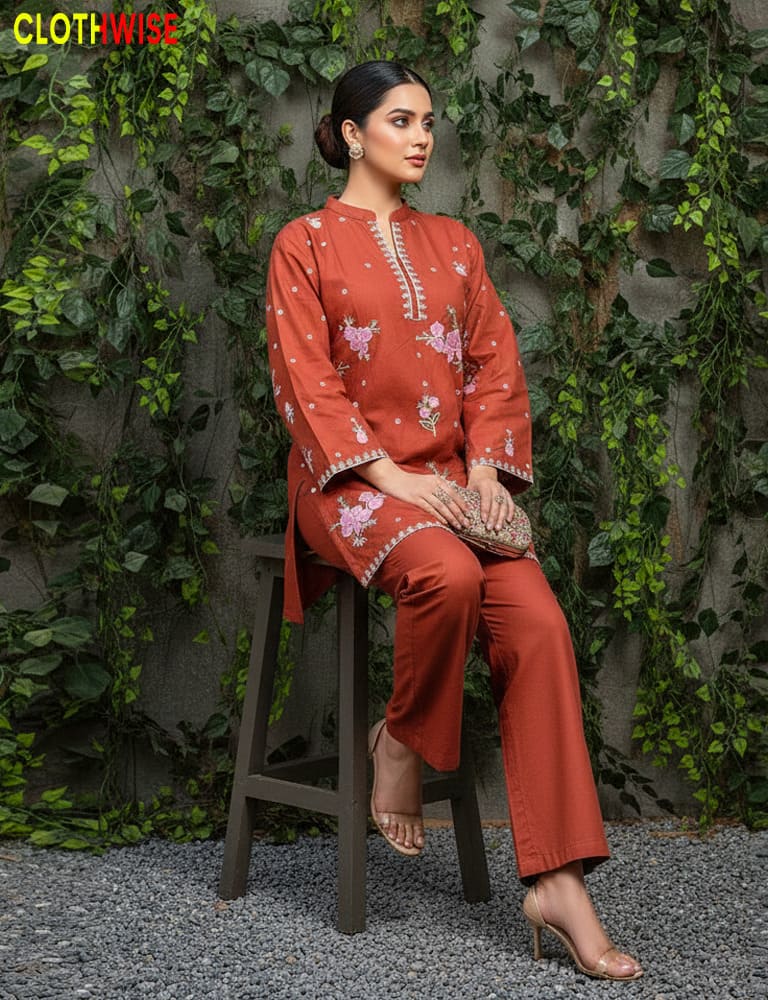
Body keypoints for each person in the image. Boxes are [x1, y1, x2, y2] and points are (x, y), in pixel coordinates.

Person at [264, 60, 643, 982]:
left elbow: (492, 366)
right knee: (447, 572)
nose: (422, 137)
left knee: (540, 624)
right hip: (348, 486)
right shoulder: (303, 243)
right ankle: (400, 742)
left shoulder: (455, 244)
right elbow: (306, 385)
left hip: (448, 483)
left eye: (429, 121)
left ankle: (558, 883)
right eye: (401, 120)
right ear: (352, 133)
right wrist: (393, 477)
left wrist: (482, 474)